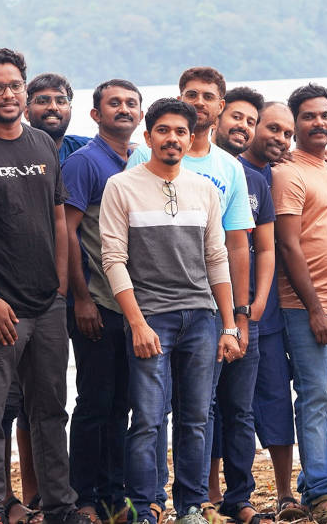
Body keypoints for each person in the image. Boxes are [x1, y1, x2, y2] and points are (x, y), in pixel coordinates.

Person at [0, 48, 90, 524]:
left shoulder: (43, 145)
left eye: (14, 86)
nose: (8, 94)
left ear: (23, 90)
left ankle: (59, 507)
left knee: (50, 411)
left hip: (47, 305)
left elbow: (56, 216)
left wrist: (63, 288)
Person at [99, 97, 242, 524]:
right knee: (147, 418)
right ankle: (145, 506)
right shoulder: (121, 187)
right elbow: (113, 259)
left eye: (181, 131)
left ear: (193, 137)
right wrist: (137, 322)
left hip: (201, 316)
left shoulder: (203, 190)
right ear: (148, 137)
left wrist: (230, 324)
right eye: (164, 130)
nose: (173, 138)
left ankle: (191, 506)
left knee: (196, 418)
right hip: (151, 318)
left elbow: (217, 258)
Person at [272, 83, 327, 524]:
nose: (318, 122)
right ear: (294, 124)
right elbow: (288, 245)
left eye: (324, 115)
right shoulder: (288, 174)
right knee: (312, 396)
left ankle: (311, 484)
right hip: (306, 307)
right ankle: (323, 492)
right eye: (308, 116)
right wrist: (315, 309)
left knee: (326, 394)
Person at [61, 79, 144, 522]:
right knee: (94, 402)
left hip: (133, 307)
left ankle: (116, 495)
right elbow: (68, 232)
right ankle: (84, 497)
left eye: (131, 104)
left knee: (124, 405)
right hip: (95, 303)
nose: (123, 110)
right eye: (114, 103)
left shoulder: (140, 163)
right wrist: (80, 298)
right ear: (95, 114)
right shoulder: (84, 163)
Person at [207, 86, 275, 524]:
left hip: (243, 310)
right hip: (198, 307)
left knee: (240, 407)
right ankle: (205, 496)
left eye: (251, 121)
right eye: (236, 117)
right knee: (201, 406)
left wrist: (252, 309)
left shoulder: (254, 179)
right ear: (216, 116)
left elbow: (263, 248)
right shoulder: (188, 168)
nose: (243, 126)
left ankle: (240, 496)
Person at [239, 102, 304, 521]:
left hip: (271, 309)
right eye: (273, 128)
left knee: (277, 398)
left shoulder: (281, 173)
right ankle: (226, 495)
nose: (280, 138)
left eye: (287, 133)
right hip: (227, 307)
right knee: (226, 405)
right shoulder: (228, 171)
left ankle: (285, 493)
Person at [0, 72, 91, 161]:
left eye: (61, 101)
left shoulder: (85, 150)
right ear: (26, 112)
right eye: (42, 101)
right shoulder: (6, 151)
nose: (53, 107)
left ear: (70, 109)